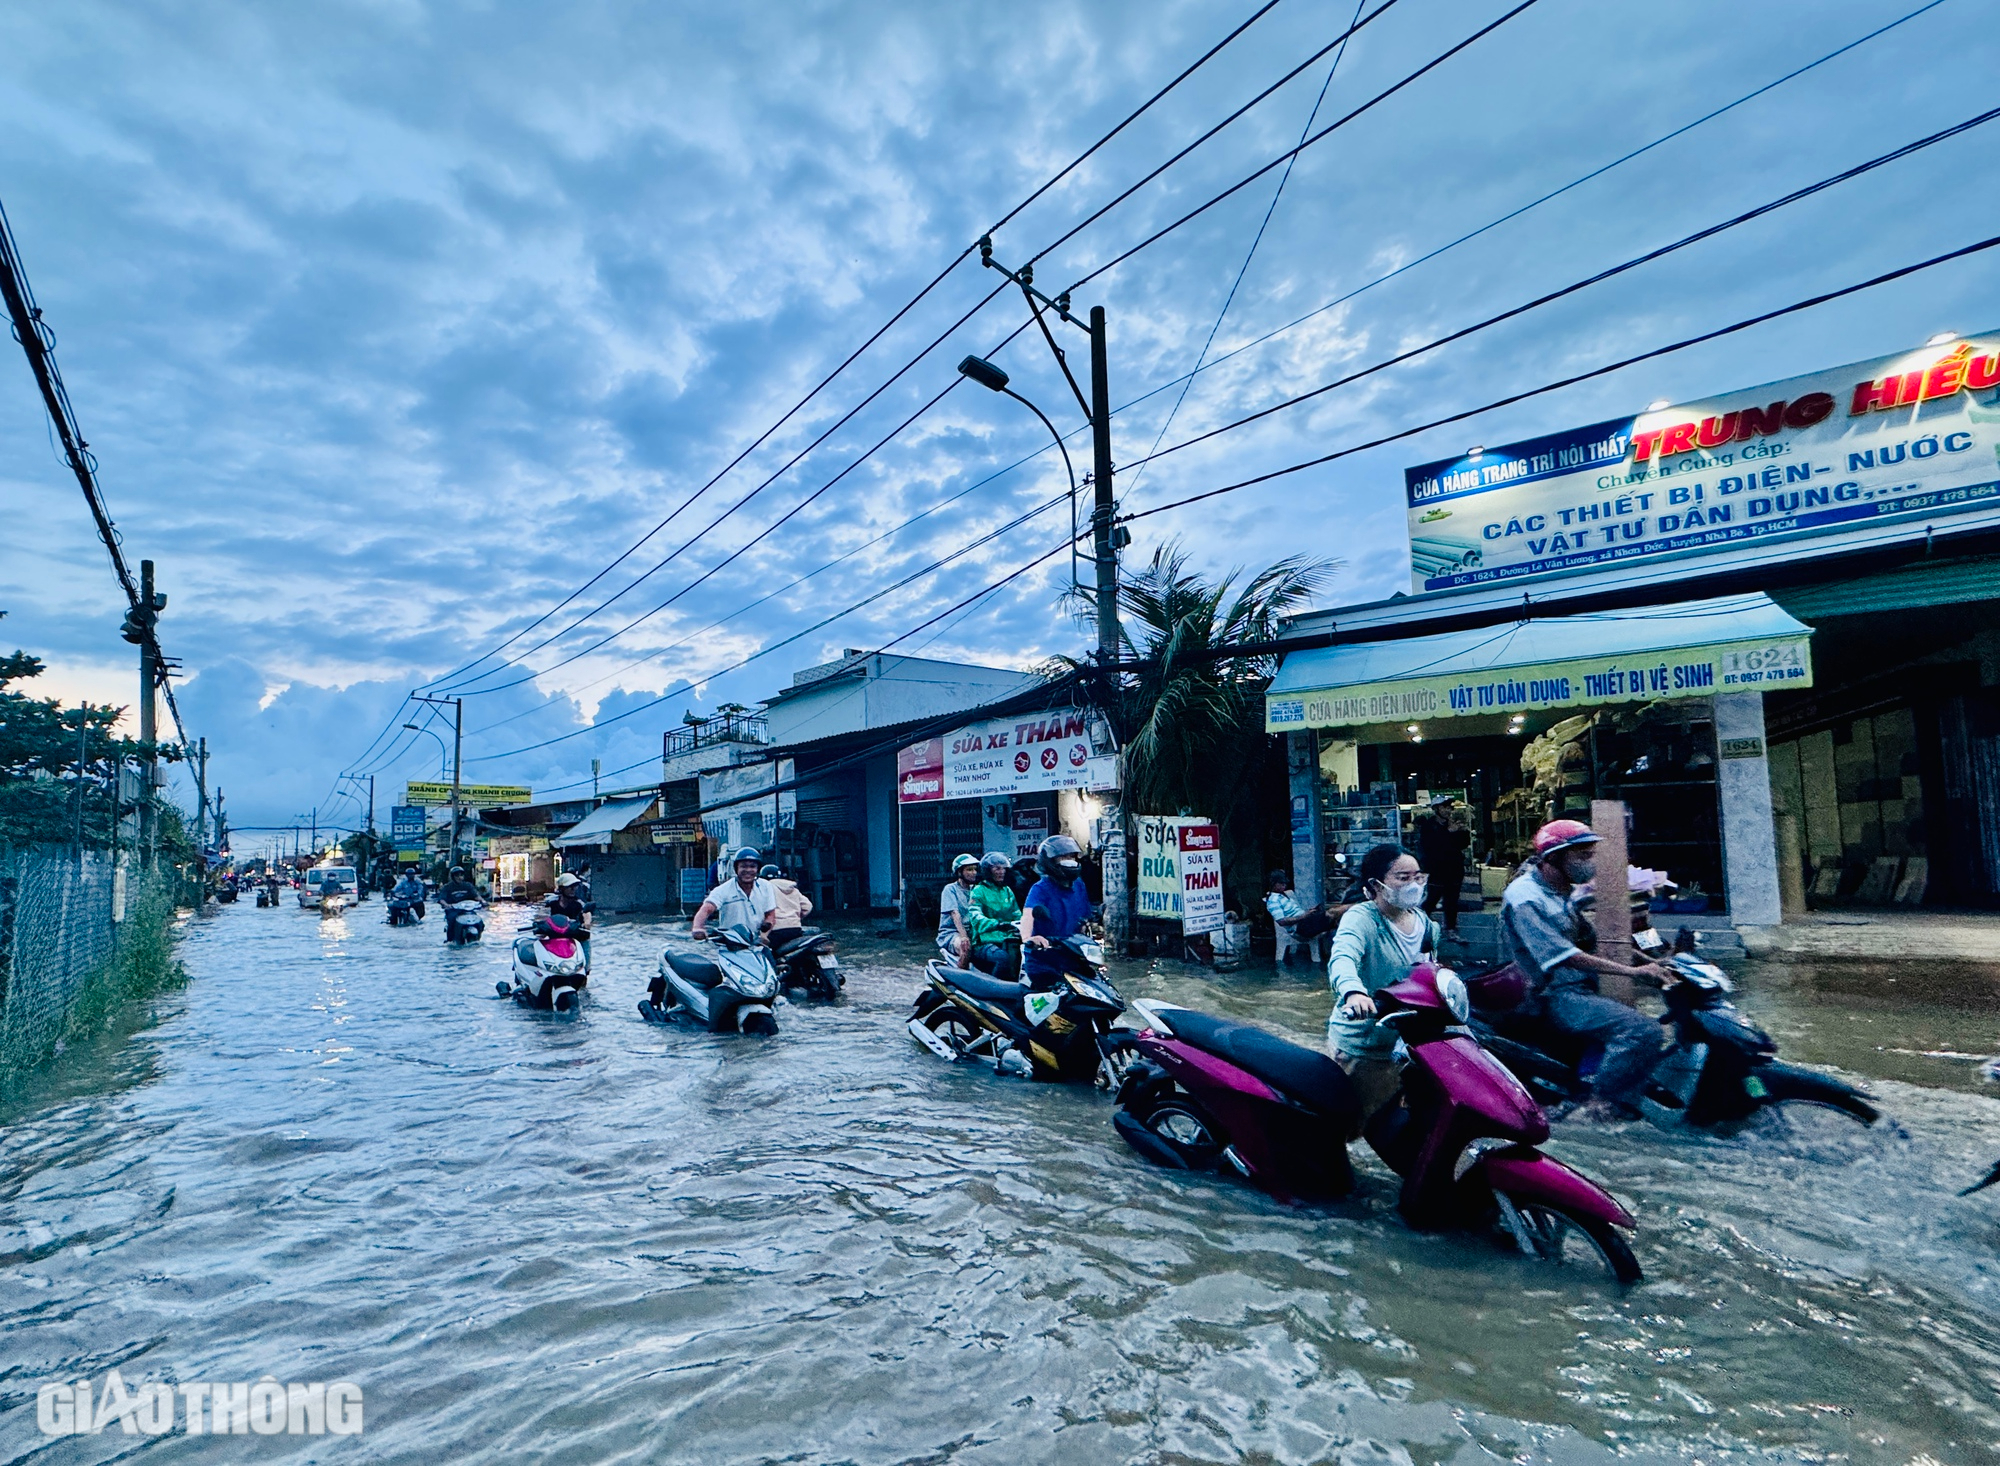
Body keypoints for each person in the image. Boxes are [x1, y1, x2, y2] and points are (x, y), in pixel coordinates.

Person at [1499, 819, 1676, 1121]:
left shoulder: (1561, 890)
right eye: (1581, 855)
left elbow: (1591, 941)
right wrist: (1634, 972)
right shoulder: (1526, 898)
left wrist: (1653, 963)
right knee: (1642, 1032)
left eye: (1591, 854)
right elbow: (1565, 956)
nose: (1589, 862)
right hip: (1548, 995)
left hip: (1578, 986)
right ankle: (1600, 1108)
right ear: (1553, 857)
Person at [1326, 844, 1438, 1130]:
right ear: (1376, 885)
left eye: (1418, 877)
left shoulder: (1425, 924)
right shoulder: (1362, 918)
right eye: (1403, 878)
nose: (1413, 885)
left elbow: (1429, 973)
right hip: (1362, 1044)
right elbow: (1343, 958)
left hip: (1405, 1047)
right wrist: (1354, 992)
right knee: (1344, 1126)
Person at [1020, 834, 1090, 987]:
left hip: (1071, 956)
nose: (1070, 861)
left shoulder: (1078, 885)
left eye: (1072, 857)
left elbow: (1083, 919)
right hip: (1044, 960)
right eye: (1063, 857)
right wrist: (1029, 938)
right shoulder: (1040, 888)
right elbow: (1028, 915)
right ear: (1050, 861)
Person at [1411, 794, 1472, 936]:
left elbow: (1463, 844)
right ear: (1437, 808)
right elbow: (1432, 847)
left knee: (1452, 901)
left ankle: (1450, 928)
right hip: (1437, 870)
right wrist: (1449, 833)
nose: (1448, 810)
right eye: (1445, 807)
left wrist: (1461, 832)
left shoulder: (1453, 824)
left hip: (1454, 869)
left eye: (1449, 807)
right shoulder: (1429, 827)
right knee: (1432, 899)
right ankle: (1418, 926)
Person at [693, 847, 776, 944]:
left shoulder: (765, 886)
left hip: (755, 942)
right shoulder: (724, 889)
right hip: (730, 944)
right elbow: (706, 909)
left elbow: (770, 915)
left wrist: (765, 932)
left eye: (752, 866)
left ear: (758, 869)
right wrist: (697, 928)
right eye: (743, 867)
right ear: (736, 869)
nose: (748, 870)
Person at [966, 850, 1023, 980]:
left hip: (1007, 939)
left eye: (1003, 869)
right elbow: (975, 916)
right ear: (988, 871)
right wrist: (997, 924)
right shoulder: (978, 891)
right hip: (983, 941)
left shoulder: (1007, 891)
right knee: (1003, 959)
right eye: (997, 868)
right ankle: (994, 991)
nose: (1001, 872)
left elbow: (1016, 914)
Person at [1265, 869, 1333, 961]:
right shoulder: (1273, 901)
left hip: (1304, 921)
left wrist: (1308, 913)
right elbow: (1281, 921)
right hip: (1298, 928)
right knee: (1331, 915)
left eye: (1284, 883)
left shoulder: (1285, 895)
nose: (1284, 885)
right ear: (1273, 884)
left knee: (1330, 917)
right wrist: (1303, 916)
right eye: (1281, 884)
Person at [937, 853, 979, 967]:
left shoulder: (976, 890)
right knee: (965, 947)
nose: (974, 873)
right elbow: (955, 914)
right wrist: (964, 937)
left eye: (975, 869)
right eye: (969, 870)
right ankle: (961, 975)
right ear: (960, 872)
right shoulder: (950, 889)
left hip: (973, 932)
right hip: (952, 932)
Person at [761, 863, 813, 950]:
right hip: (795, 929)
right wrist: (795, 917)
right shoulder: (792, 888)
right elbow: (808, 906)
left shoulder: (764, 889)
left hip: (775, 931)